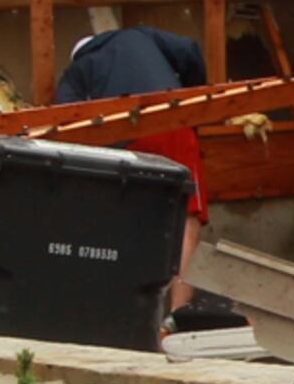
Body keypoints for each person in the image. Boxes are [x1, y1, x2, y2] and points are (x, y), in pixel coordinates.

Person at [57, 19, 209, 307]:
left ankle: (134, 310)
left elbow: (65, 120)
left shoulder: (76, 71)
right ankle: (179, 313)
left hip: (128, 142)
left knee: (133, 223)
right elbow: (189, 49)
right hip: (175, 124)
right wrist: (192, 100)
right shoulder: (140, 35)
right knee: (187, 220)